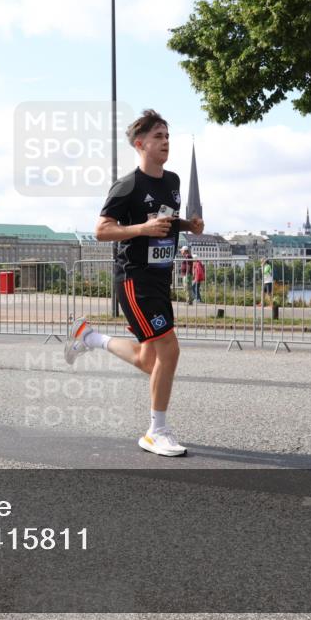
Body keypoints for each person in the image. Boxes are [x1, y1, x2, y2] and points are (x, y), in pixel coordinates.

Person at [64, 109, 203, 457]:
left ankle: (90, 337)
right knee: (169, 349)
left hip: (161, 275)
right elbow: (101, 230)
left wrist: (188, 226)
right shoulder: (127, 185)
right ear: (140, 144)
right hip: (134, 278)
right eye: (158, 137)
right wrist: (141, 229)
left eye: (168, 136)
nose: (166, 142)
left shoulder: (172, 182)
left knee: (148, 359)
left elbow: (166, 221)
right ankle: (156, 431)